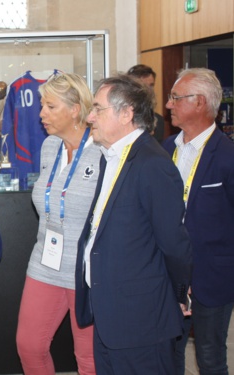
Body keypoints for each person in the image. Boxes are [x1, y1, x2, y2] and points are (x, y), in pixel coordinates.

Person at [74, 75, 193, 374]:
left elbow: (173, 243)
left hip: (141, 320)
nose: (90, 117)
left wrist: (179, 294)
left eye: (98, 109)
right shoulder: (110, 157)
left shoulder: (152, 164)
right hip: (110, 314)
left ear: (126, 113)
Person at [15, 72, 98, 375]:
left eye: (50, 107)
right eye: (42, 106)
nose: (41, 114)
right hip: (45, 262)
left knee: (87, 357)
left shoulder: (103, 151)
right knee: (29, 346)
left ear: (75, 109)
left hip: (86, 270)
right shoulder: (50, 146)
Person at [163, 68, 234, 375]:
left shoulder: (228, 156)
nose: (168, 105)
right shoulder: (164, 150)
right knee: (167, 353)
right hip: (166, 275)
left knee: (210, 357)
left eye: (176, 98)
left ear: (200, 103)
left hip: (211, 277)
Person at [127, 64, 165, 142]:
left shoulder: (159, 121)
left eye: (151, 85)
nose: (148, 90)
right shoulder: (120, 118)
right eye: (143, 85)